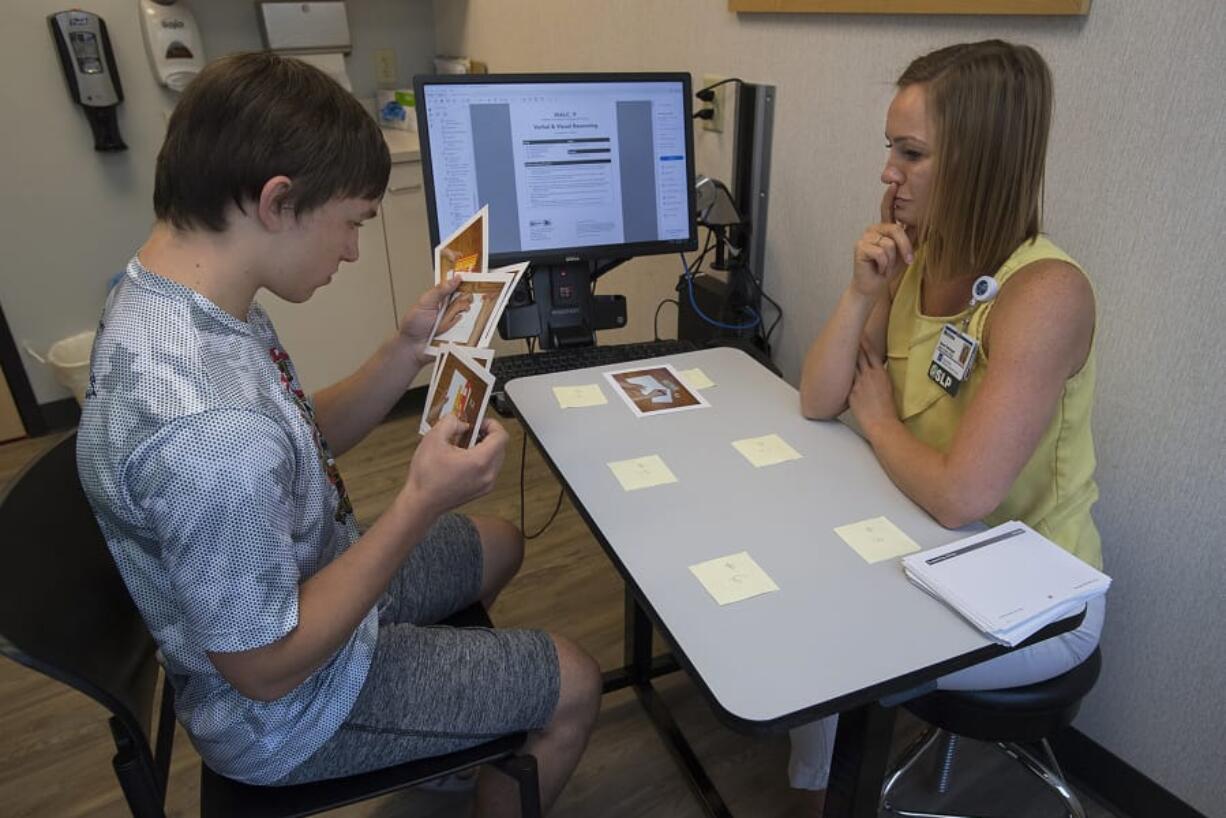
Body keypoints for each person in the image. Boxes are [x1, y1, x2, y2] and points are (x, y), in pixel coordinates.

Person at [76, 52, 601, 817]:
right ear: (278, 201)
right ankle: (445, 735)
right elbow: (265, 667)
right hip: (282, 709)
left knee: (499, 541)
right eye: (350, 224)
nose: (353, 252)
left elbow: (289, 433)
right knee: (576, 680)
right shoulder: (207, 435)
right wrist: (418, 501)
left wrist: (404, 350)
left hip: (292, 580)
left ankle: (440, 746)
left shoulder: (176, 296)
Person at [790, 40, 1105, 809]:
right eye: (888, 148)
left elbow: (963, 494)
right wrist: (863, 292)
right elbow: (817, 397)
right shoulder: (917, 257)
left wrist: (880, 418)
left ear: (980, 161)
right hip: (929, 537)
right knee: (798, 575)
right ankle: (816, 786)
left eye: (911, 152)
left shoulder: (1046, 294)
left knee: (826, 637)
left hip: (1035, 595)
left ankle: (830, 794)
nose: (886, 173)